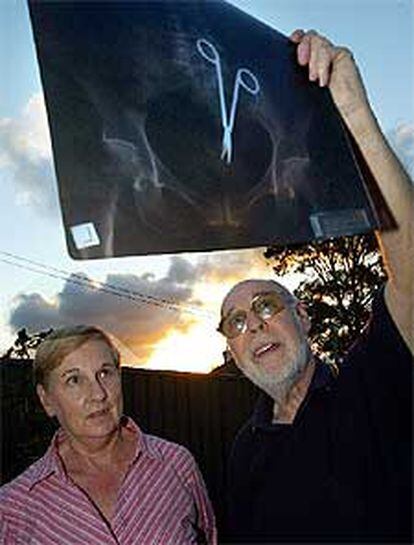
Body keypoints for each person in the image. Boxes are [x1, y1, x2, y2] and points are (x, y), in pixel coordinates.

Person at [219, 30, 413, 543]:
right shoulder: (243, 453)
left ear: (302, 317)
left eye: (266, 305)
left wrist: (353, 115)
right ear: (233, 351)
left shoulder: (369, 387)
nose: (253, 324)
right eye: (236, 322)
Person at [0, 325, 217, 544]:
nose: (98, 394)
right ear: (46, 400)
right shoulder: (15, 508)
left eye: (105, 373)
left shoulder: (176, 464)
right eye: (74, 380)